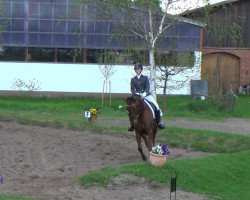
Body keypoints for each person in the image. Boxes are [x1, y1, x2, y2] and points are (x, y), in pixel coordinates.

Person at [128, 62, 165, 131]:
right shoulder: (133, 79)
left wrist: (145, 93)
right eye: (136, 69)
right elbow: (132, 89)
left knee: (156, 106)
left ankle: (159, 122)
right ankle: (132, 124)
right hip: (137, 96)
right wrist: (136, 94)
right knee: (131, 108)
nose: (137, 70)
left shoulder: (145, 78)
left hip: (146, 95)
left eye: (138, 69)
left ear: (141, 70)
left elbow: (147, 87)